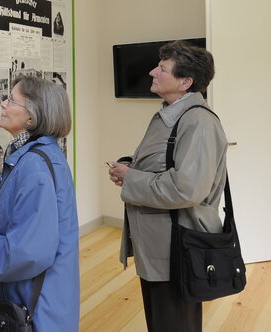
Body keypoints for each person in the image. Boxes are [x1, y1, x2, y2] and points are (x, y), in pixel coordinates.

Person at [107, 41, 224, 332]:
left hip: (177, 248)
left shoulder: (197, 121)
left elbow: (187, 189)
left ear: (186, 82)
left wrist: (131, 178)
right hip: (160, 245)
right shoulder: (169, 115)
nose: (152, 72)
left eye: (162, 68)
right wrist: (132, 168)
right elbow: (167, 165)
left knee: (174, 323)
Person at [0, 76, 79, 331]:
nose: (2, 104)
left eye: (11, 100)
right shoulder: (32, 156)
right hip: (36, 299)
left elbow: (26, 254)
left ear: (31, 117)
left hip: (33, 308)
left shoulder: (34, 167)